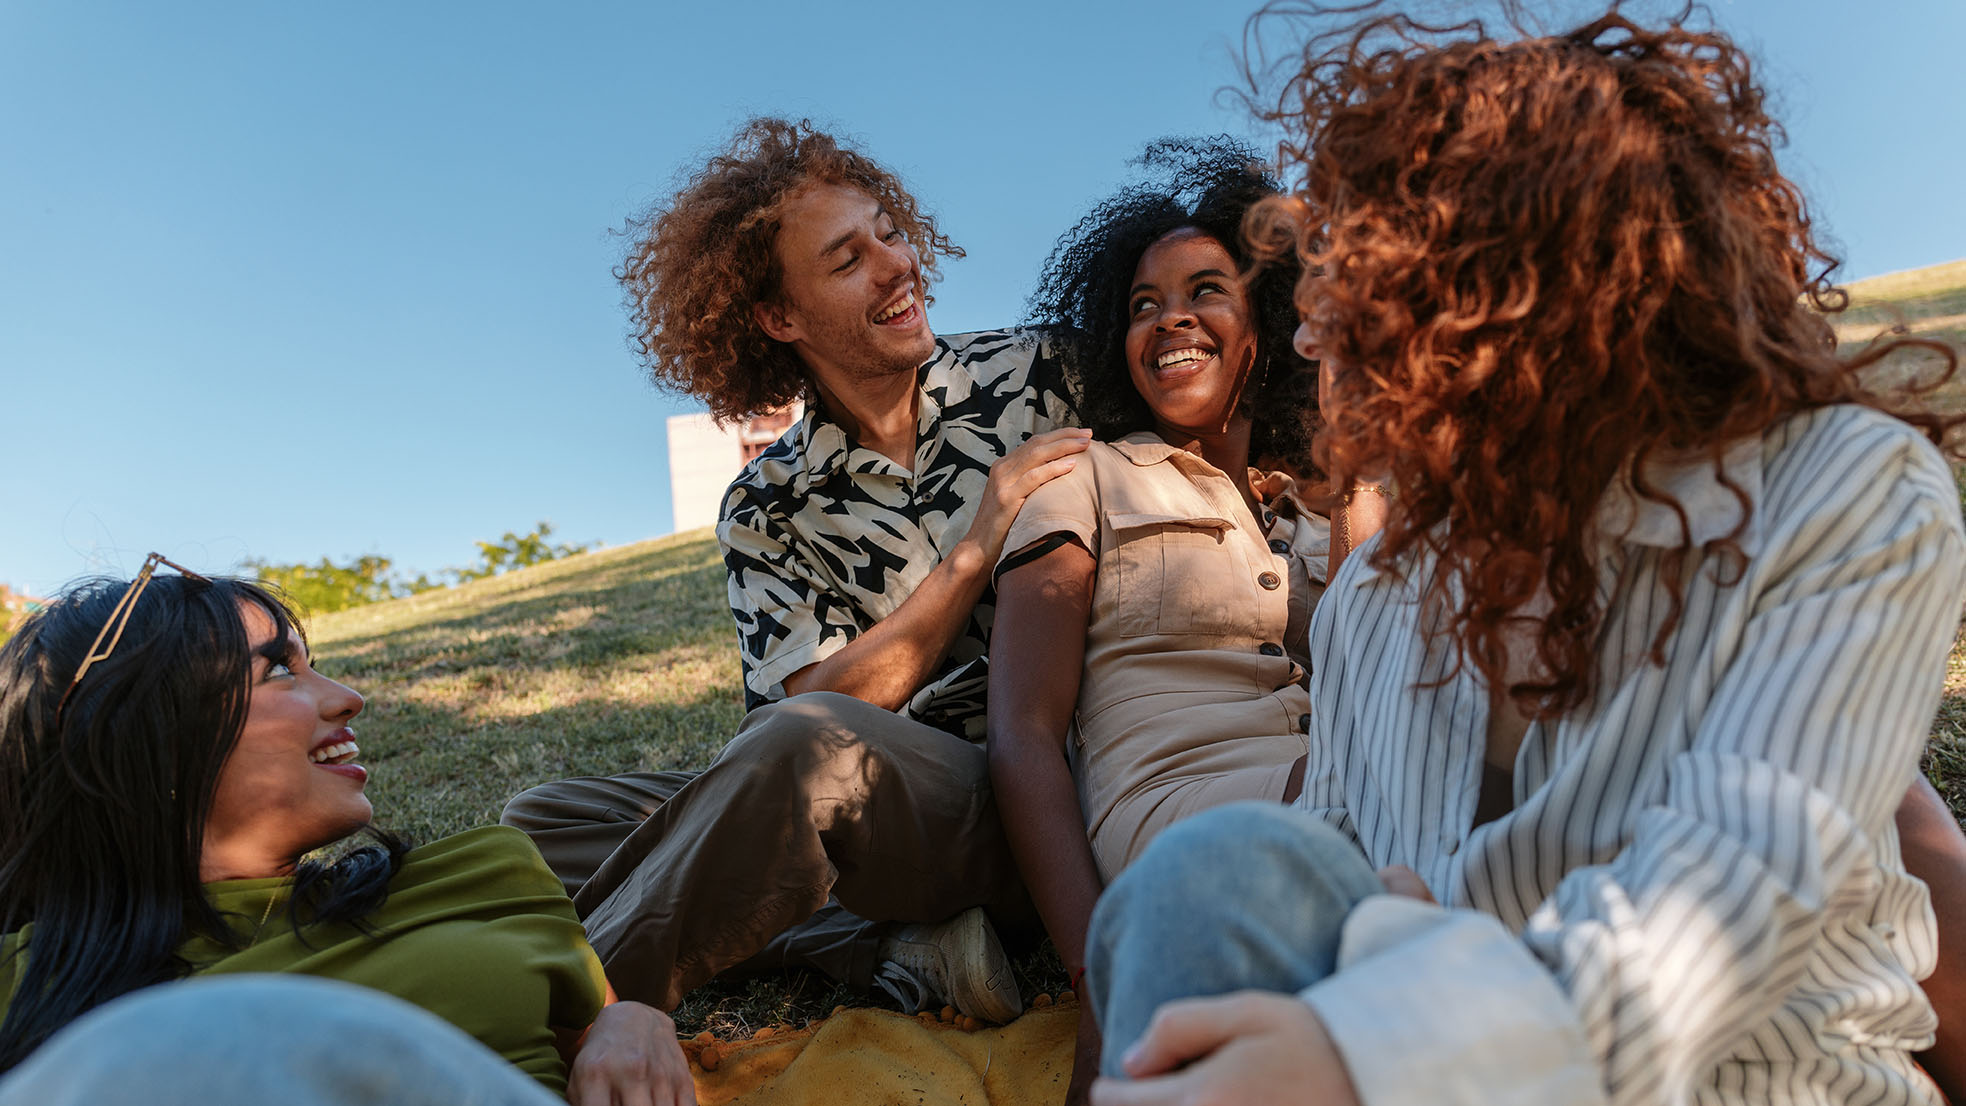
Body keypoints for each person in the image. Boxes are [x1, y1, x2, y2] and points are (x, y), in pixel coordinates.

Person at [1083, 9, 1966, 1106]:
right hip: (1418, 1053)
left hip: (1753, 1083)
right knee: (1208, 876)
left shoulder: (1841, 490)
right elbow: (1339, 861)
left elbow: (1733, 891)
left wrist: (1382, 1050)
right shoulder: (1370, 591)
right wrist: (1369, 924)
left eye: (1355, 282)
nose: (1308, 335)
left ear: (1515, 279)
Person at [502, 118, 1091, 1021]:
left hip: (1037, 791)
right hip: (880, 813)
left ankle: (578, 1013)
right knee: (542, 825)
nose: (897, 265)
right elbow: (826, 701)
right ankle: (890, 948)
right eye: (849, 258)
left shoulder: (1040, 374)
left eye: (892, 232)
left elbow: (807, 738)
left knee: (795, 749)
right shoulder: (765, 503)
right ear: (780, 318)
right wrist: (975, 550)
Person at [0, 558, 695, 1105]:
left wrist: (631, 1020)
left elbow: (593, 1034)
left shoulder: (483, 875)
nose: (346, 697)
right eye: (277, 671)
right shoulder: (26, 980)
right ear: (143, 740)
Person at [986, 141, 1323, 1099]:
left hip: (1336, 784)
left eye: (1206, 289)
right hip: (1179, 821)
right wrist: (1101, 971)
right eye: (1143, 305)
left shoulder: (1311, 509)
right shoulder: (1087, 477)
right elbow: (1022, 735)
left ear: (1269, 318)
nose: (1171, 316)